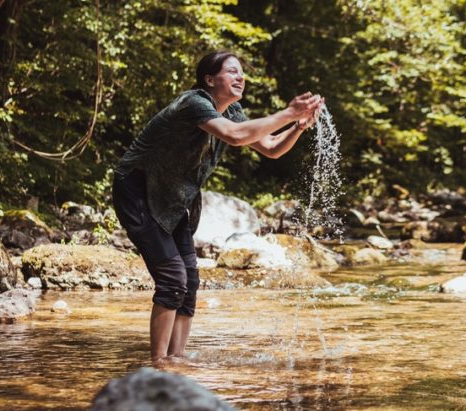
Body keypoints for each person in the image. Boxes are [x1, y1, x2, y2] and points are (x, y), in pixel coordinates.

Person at [111, 50, 323, 364]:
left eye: (242, 73)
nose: (240, 77)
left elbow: (272, 148)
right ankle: (158, 366)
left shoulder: (232, 111)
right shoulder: (194, 103)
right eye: (232, 71)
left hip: (176, 197)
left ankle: (176, 358)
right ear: (210, 79)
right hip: (137, 189)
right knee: (172, 278)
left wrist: (299, 126)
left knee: (190, 281)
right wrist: (288, 113)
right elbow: (235, 137)